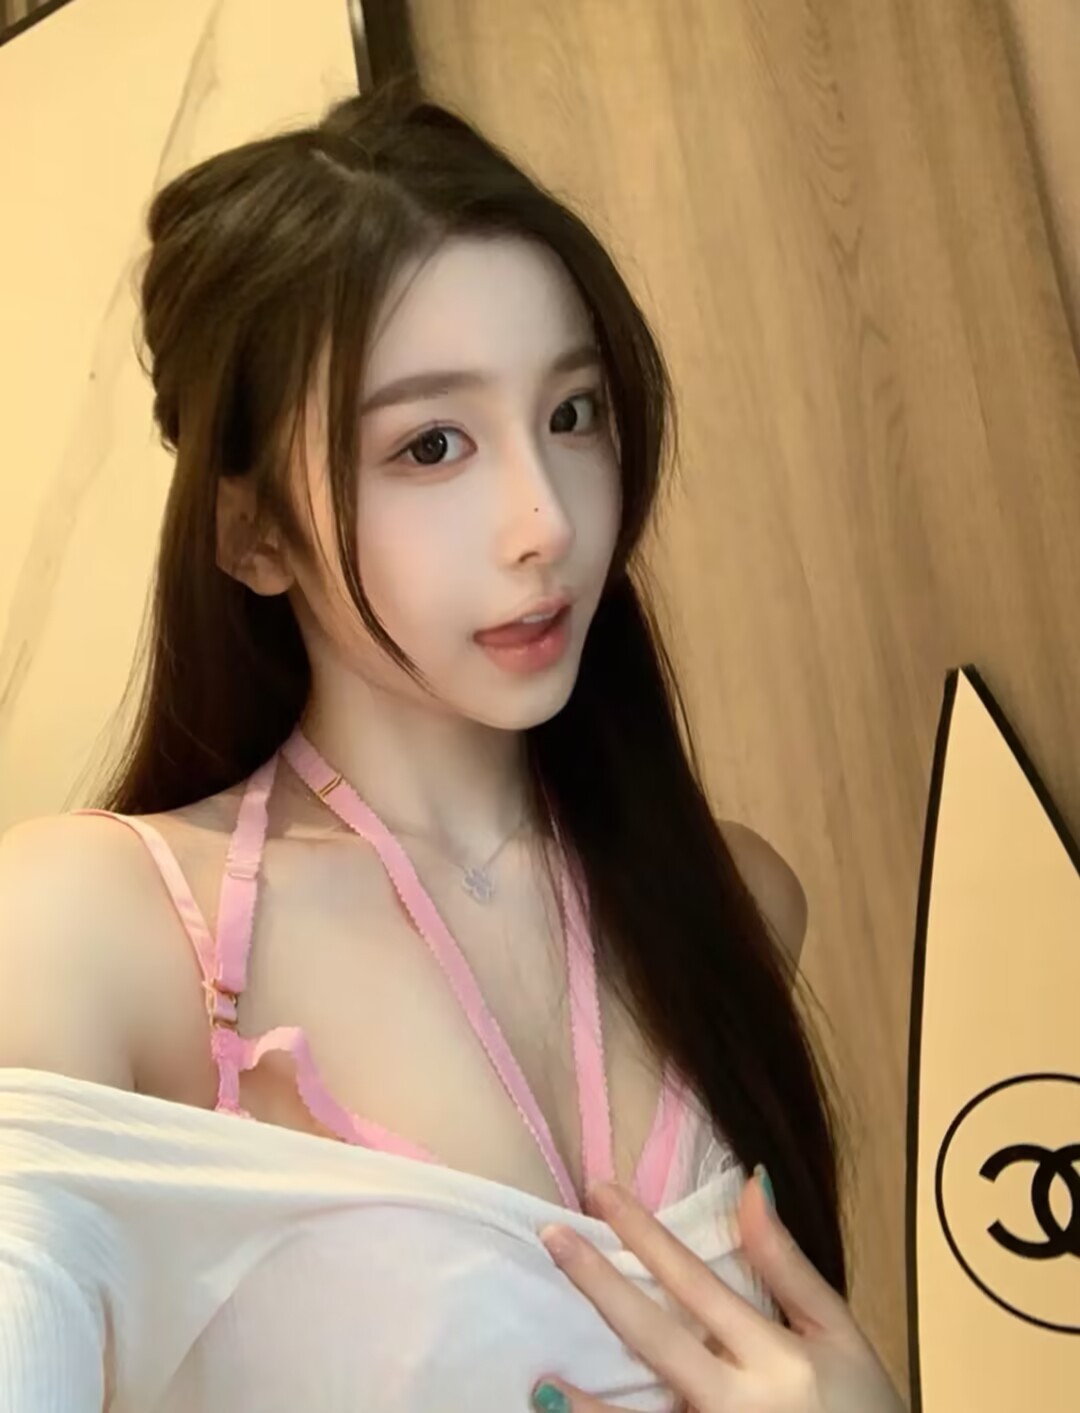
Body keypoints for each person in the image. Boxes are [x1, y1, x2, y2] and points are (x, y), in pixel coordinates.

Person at [0, 78, 904, 1412]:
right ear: (252, 534)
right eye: (432, 444)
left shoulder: (735, 901)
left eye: (573, 413)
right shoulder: (94, 929)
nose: (548, 521)